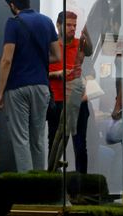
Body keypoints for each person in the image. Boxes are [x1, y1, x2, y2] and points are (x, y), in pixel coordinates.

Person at [0, 0, 60, 173]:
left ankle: (26, 186)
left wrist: (0, 93)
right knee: (38, 137)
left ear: (13, 5)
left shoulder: (13, 23)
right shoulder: (47, 22)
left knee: (20, 138)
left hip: (17, 86)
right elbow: (57, 56)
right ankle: (39, 183)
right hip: (41, 86)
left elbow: (7, 59)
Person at [46, 10, 92, 172]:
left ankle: (81, 187)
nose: (72, 28)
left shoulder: (81, 44)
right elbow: (40, 72)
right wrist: (56, 74)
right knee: (54, 142)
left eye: (74, 25)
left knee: (80, 144)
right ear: (58, 25)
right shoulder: (50, 46)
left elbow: (89, 69)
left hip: (78, 101)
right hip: (57, 100)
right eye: (69, 25)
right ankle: (53, 181)